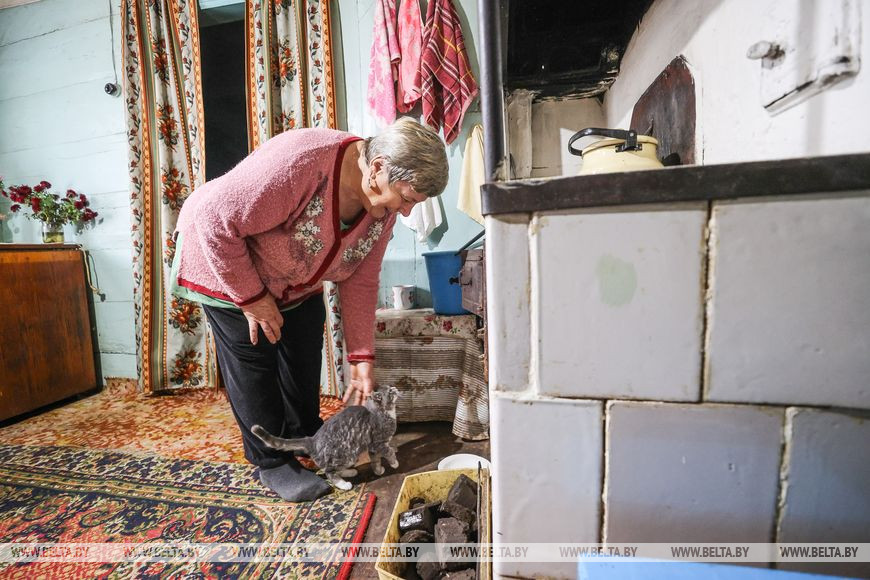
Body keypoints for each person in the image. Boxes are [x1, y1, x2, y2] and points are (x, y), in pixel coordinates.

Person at [170, 118, 448, 501]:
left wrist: (361, 356)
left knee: (304, 345)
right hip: (224, 258)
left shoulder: (381, 211)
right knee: (255, 357)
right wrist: (252, 298)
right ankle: (272, 462)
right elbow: (212, 220)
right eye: (407, 198)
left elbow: (361, 278)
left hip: (295, 274)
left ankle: (304, 433)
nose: (404, 212)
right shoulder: (301, 162)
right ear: (379, 167)